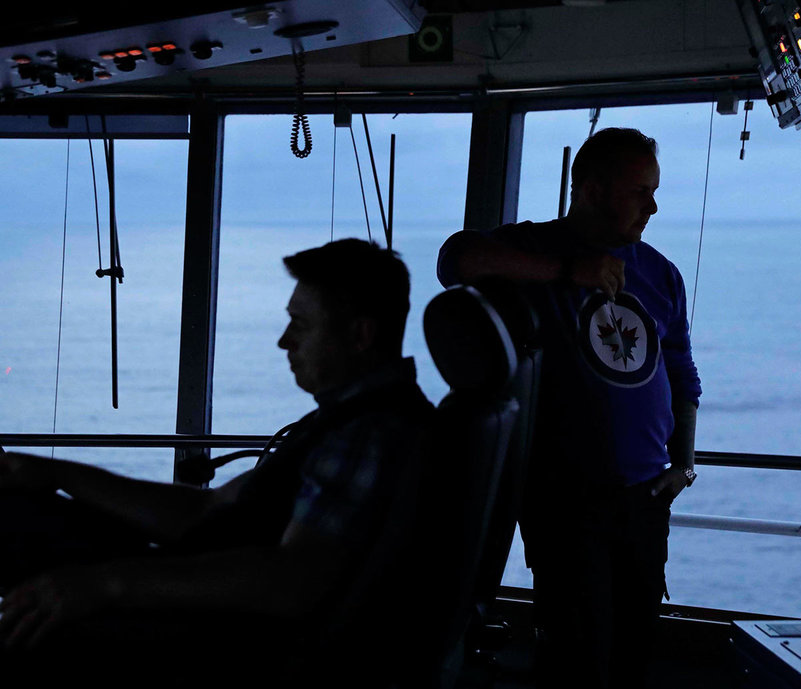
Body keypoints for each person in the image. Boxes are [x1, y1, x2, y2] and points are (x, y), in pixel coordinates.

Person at [0, 239, 432, 682]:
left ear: (360, 335)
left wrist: (102, 585)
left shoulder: (370, 434)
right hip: (212, 614)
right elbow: (204, 511)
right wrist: (55, 473)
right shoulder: (350, 419)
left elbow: (291, 582)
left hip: (222, 641)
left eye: (300, 325)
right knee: (17, 511)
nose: (285, 341)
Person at [437, 127, 701, 688]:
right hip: (566, 500)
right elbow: (455, 260)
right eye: (640, 192)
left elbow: (682, 374)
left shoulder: (661, 273)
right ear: (591, 189)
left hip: (648, 498)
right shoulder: (533, 248)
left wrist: (684, 466)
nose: (653, 206)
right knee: (578, 660)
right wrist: (567, 272)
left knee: (631, 654)